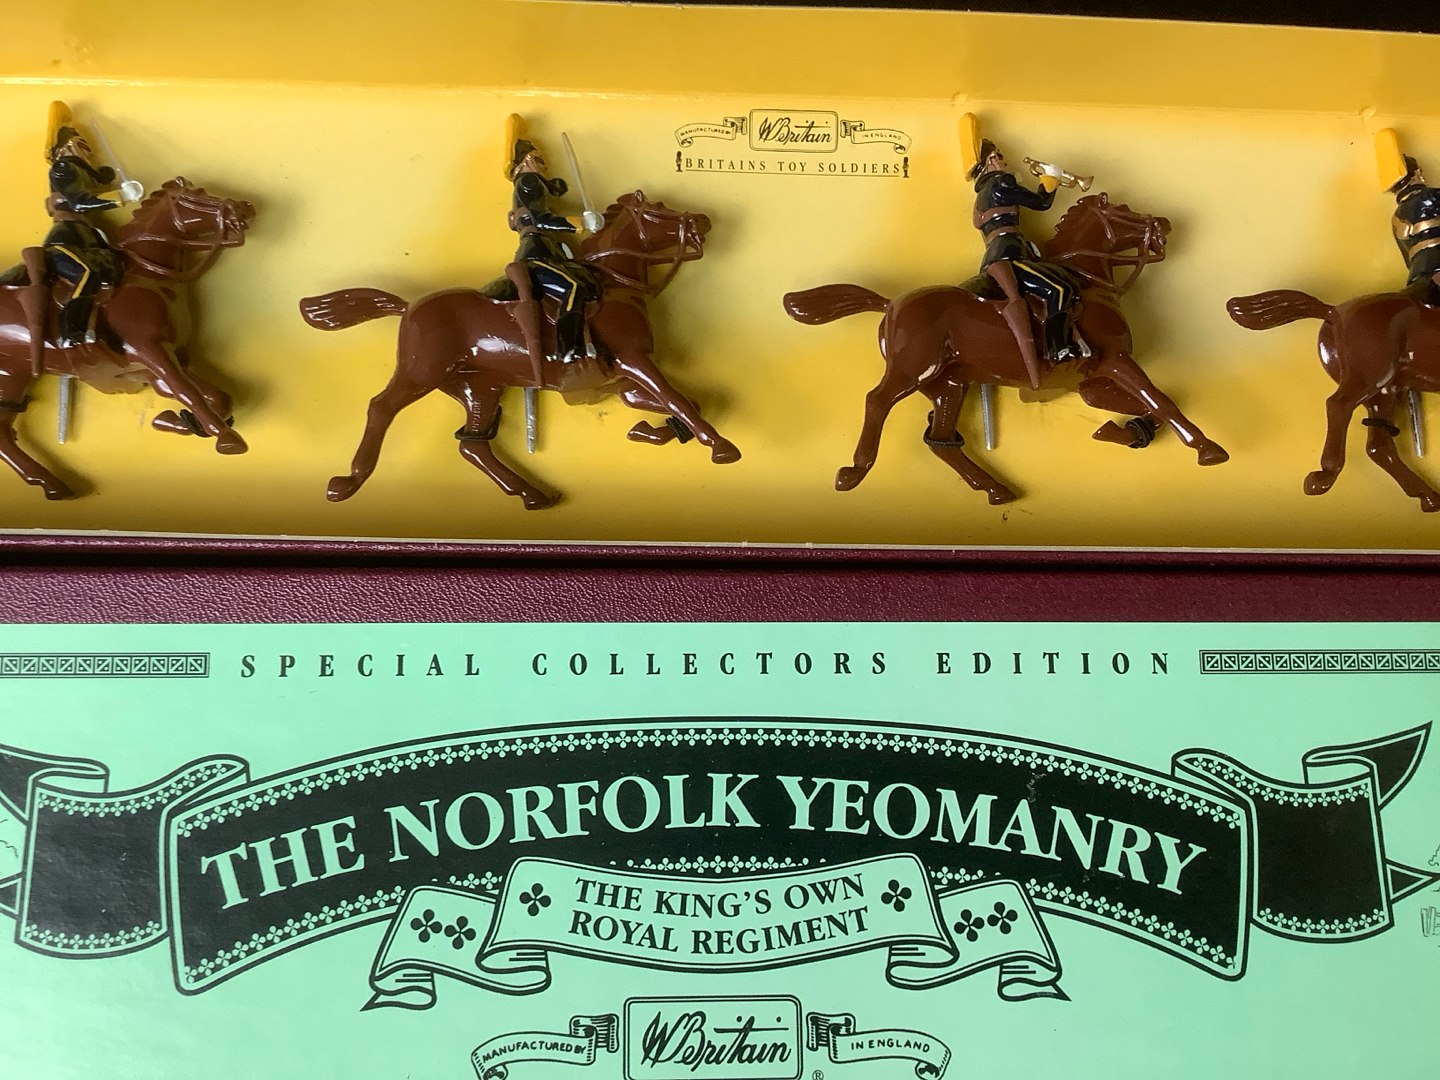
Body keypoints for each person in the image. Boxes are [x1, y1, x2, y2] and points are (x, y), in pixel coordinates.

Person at [969, 138, 1079, 390]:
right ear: (989, 162)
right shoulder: (1001, 182)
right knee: (1059, 290)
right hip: (1009, 253)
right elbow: (1041, 202)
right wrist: (1051, 178)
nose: (1004, 162)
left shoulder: (980, 197)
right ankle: (1059, 348)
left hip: (998, 252)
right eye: (998, 156)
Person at [503, 133, 604, 389]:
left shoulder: (538, 184)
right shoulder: (529, 181)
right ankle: (568, 351)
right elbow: (538, 219)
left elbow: (555, 191)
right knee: (574, 287)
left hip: (550, 250)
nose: (543, 164)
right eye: (537, 159)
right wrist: (580, 223)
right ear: (525, 163)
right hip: (536, 251)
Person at [43, 122, 127, 347]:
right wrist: (118, 198)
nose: (88, 149)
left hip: (88, 235)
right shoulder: (63, 168)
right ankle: (72, 330)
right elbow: (78, 202)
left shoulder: (83, 172)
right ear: (66, 146)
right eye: (81, 143)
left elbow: (99, 180)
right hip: (66, 237)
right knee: (88, 272)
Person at [1388, 154, 1440, 305]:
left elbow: (1408, 260)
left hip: (1418, 275)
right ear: (1417, 173)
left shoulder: (1395, 218)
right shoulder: (1434, 196)